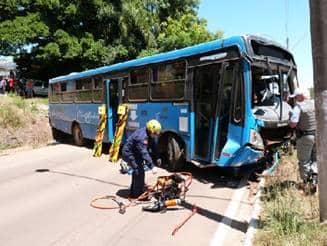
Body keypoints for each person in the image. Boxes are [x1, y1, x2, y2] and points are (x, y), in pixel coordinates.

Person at [122, 119, 161, 198]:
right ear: (150, 130)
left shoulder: (149, 134)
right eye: (155, 133)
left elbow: (154, 146)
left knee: (139, 170)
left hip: (136, 153)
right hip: (129, 153)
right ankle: (136, 194)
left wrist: (157, 157)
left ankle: (135, 190)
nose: (156, 135)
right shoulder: (141, 138)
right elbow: (144, 153)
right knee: (138, 171)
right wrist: (152, 166)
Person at [289, 88, 317, 191]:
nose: (295, 99)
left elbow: (293, 124)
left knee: (304, 161)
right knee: (315, 159)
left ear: (300, 96)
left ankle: (307, 184)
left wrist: (289, 120)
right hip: (318, 135)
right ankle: (315, 179)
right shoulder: (315, 102)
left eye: (296, 97)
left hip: (305, 137)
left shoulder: (298, 107)